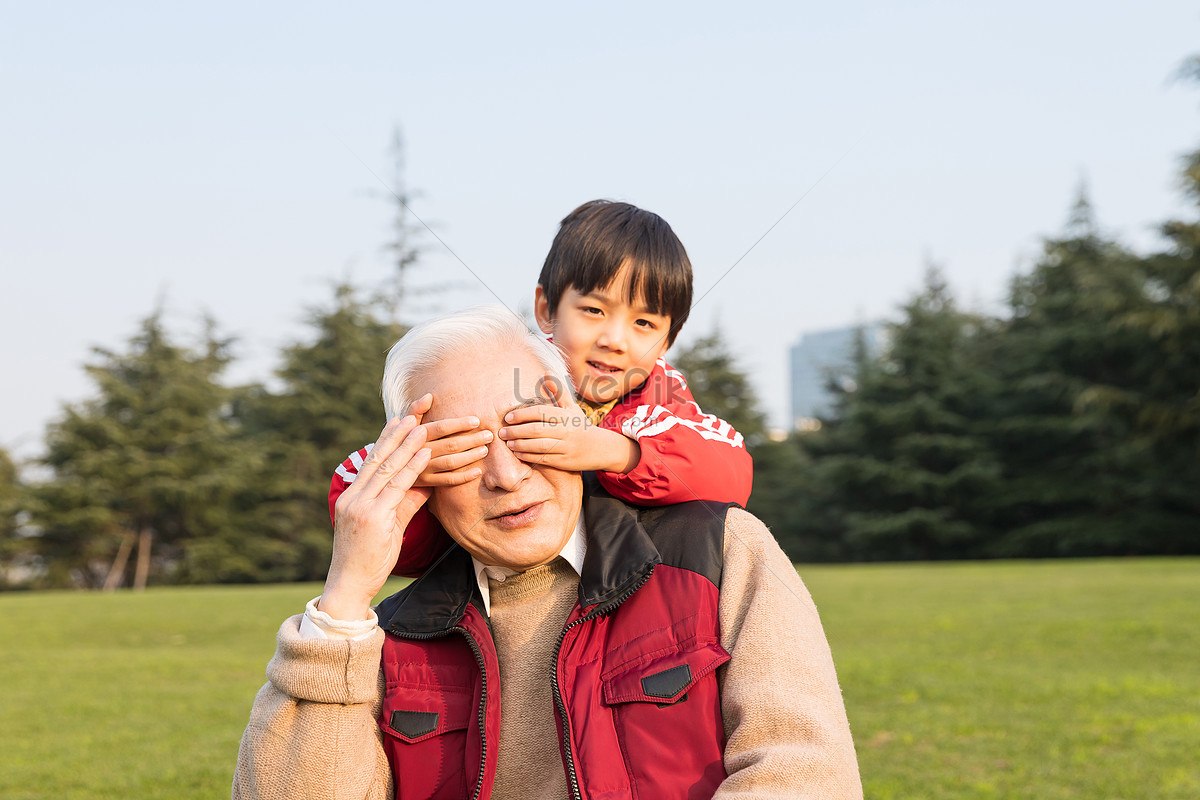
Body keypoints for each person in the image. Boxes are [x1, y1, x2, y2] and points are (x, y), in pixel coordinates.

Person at [233, 307, 862, 800]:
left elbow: (802, 774)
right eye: (466, 450)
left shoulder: (717, 552)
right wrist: (344, 599)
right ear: (414, 473)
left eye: (526, 431)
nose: (506, 475)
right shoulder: (384, 641)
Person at [327, 200, 754, 577]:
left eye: (644, 323)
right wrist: (414, 465)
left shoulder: (661, 406)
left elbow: (730, 470)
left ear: (666, 342)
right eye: (593, 310)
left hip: (622, 582)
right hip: (480, 581)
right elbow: (356, 496)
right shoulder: (503, 379)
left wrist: (615, 451)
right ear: (547, 310)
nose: (615, 339)